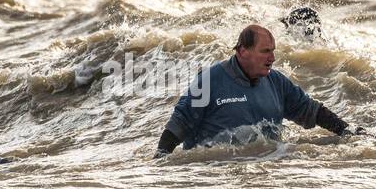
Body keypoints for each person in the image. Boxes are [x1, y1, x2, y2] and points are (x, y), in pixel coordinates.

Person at [155, 24, 361, 156]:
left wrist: (346, 130)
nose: (272, 58)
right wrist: (160, 161)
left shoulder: (277, 82)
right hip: (215, 174)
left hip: (262, 174)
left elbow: (311, 110)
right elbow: (179, 123)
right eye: (265, 51)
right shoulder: (209, 80)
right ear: (243, 51)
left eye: (273, 51)